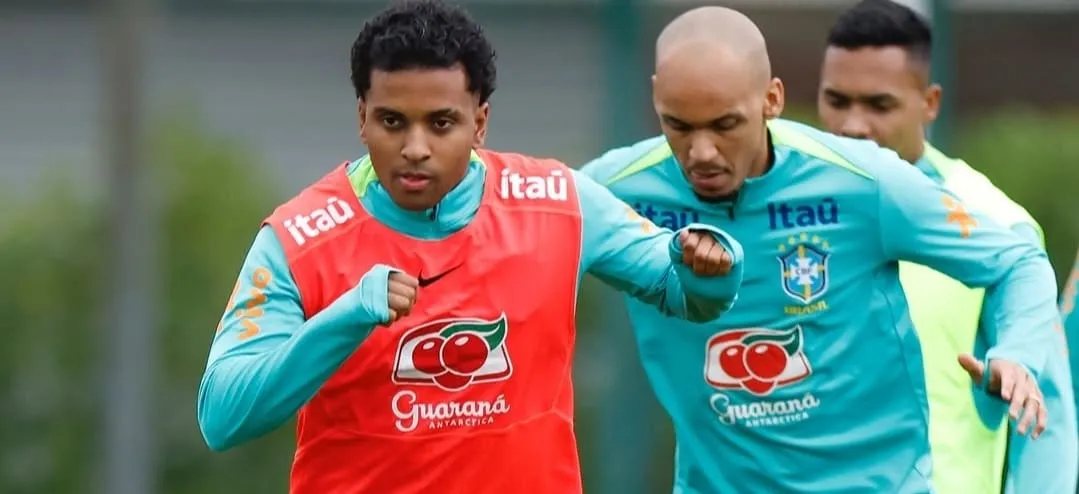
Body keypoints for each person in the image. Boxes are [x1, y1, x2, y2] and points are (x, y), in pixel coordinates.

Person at [195, 1, 744, 493]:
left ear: (479, 123)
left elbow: (684, 289)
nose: (415, 148)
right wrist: (346, 317)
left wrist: (712, 266)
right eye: (392, 121)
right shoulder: (301, 237)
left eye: (441, 124)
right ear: (362, 117)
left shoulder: (558, 202)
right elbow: (222, 415)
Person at [579, 5, 1057, 493]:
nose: (701, 152)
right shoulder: (616, 190)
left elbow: (1017, 259)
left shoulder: (861, 181)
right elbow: (516, 223)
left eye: (725, 125)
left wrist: (1017, 352)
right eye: (678, 125)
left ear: (772, 99)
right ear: (657, 95)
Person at [816, 2, 1077, 493]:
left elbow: (1048, 419)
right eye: (837, 100)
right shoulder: (781, 209)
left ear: (930, 103)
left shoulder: (996, 225)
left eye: (879, 104)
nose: (853, 125)